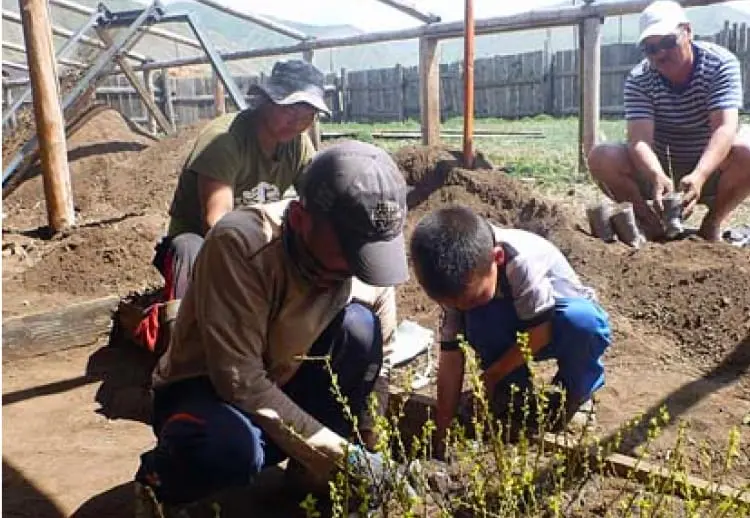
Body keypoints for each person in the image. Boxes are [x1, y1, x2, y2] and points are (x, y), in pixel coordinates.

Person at [134, 140, 409, 515]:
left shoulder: (367, 254)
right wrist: (344, 458)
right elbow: (238, 380)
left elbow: (382, 361)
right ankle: (159, 480)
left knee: (360, 330)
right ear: (299, 218)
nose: (356, 267)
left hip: (285, 377)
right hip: (205, 390)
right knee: (229, 448)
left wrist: (371, 447)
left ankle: (307, 478)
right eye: (346, 253)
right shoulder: (241, 245)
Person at [134, 59, 329, 353]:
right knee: (190, 247)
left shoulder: (297, 145)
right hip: (202, 242)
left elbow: (316, 201)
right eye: (290, 108)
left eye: (308, 112)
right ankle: (178, 348)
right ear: (265, 101)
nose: (298, 120)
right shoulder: (225, 140)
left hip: (259, 242)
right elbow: (217, 221)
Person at [409, 206, 612, 457]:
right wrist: (441, 430)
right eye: (453, 304)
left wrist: (490, 376)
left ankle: (579, 393)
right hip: (513, 323)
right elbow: (451, 356)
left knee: (583, 321)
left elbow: (541, 332)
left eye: (471, 298)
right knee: (479, 316)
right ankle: (512, 390)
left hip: (556, 325)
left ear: (497, 258)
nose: (460, 307)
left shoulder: (522, 259)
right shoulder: (459, 283)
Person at [587, 0, 749, 242]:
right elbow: (639, 139)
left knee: (747, 151)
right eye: (651, 49)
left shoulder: (720, 65)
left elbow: (725, 128)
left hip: (713, 167)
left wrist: (701, 174)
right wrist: (655, 174)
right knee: (602, 156)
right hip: (660, 169)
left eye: (667, 43)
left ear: (688, 32)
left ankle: (712, 224)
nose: (660, 53)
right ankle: (650, 223)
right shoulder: (639, 79)